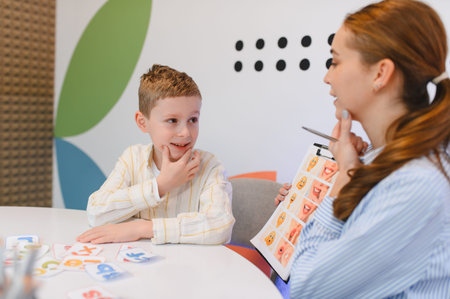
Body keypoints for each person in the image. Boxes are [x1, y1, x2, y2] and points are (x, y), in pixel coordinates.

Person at [275, 0, 450, 297]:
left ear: (380, 74)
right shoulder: (378, 161)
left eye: (335, 61)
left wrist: (343, 181)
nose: (327, 77)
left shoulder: (418, 185)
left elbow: (308, 289)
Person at [77, 64, 235, 245]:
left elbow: (220, 227)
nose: (185, 132)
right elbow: (96, 212)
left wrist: (141, 229)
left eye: (193, 119)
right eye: (172, 120)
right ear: (143, 122)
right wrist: (159, 186)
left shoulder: (210, 166)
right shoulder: (132, 159)